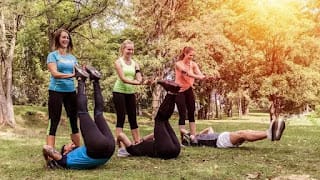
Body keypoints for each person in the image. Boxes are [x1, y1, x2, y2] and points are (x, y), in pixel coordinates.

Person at [42, 65, 115, 169]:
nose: (71, 144)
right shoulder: (64, 160)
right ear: (65, 152)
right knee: (82, 112)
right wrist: (50, 159)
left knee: (99, 113)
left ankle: (95, 81)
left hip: (108, 152)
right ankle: (80, 79)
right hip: (98, 148)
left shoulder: (70, 157)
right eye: (67, 146)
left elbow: (47, 148)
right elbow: (47, 148)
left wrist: (49, 159)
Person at [117, 80, 181, 159]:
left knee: (165, 119)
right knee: (159, 119)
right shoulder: (133, 150)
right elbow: (121, 135)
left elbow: (156, 134)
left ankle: (173, 92)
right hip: (164, 150)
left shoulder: (143, 145)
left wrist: (142, 139)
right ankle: (171, 93)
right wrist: (120, 144)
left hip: (175, 149)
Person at [46, 28, 80, 148]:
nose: (66, 39)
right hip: (56, 91)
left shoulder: (72, 58)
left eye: (67, 37)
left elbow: (78, 73)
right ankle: (50, 154)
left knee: (74, 121)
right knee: (54, 121)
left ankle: (77, 151)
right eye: (63, 37)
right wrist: (72, 75)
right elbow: (55, 73)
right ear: (58, 39)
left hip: (71, 92)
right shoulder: (52, 56)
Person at [112, 40, 143, 155]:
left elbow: (139, 77)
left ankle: (137, 143)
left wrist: (139, 80)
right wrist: (136, 82)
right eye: (128, 49)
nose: (130, 51)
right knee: (121, 118)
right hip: (119, 92)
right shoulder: (118, 62)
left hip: (130, 93)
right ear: (123, 49)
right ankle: (120, 148)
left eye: (132, 49)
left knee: (133, 118)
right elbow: (123, 78)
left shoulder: (135, 63)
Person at [180, 118, 286, 148]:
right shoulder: (195, 140)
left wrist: (198, 133)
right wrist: (192, 135)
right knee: (243, 134)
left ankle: (269, 133)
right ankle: (269, 135)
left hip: (222, 136)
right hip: (219, 141)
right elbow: (183, 131)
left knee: (246, 131)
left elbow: (209, 128)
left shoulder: (199, 136)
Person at [175, 46, 206, 142]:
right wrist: (199, 77)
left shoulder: (193, 64)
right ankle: (183, 139)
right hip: (179, 90)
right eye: (190, 55)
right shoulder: (178, 64)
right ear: (185, 53)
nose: (191, 57)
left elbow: (200, 74)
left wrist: (204, 77)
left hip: (189, 90)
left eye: (193, 55)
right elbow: (186, 74)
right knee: (182, 113)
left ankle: (193, 137)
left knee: (192, 112)